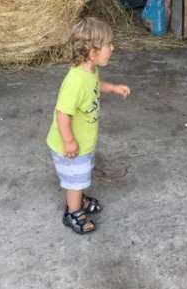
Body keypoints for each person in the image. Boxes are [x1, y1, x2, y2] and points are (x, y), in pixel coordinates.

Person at [46, 17, 131, 234]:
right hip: (70, 147)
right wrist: (69, 141)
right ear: (93, 52)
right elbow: (62, 113)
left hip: (83, 143)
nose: (112, 48)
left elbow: (94, 86)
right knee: (75, 181)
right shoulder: (75, 81)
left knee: (82, 175)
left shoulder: (89, 72)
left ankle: (79, 201)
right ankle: (73, 212)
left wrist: (112, 88)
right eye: (108, 45)